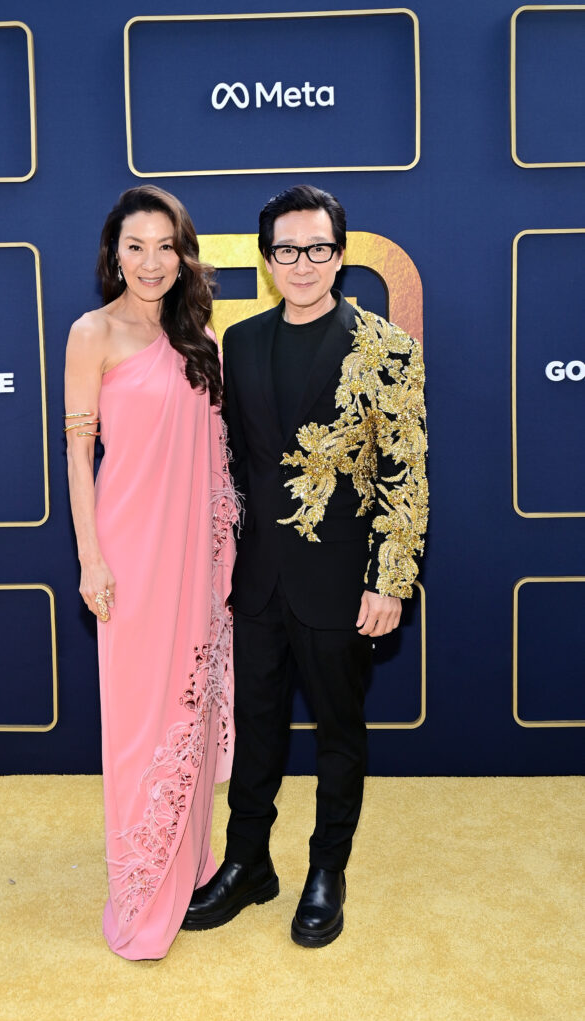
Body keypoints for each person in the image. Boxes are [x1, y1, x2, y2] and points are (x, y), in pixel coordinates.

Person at [182, 184, 427, 948]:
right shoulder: (240, 344)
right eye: (286, 250)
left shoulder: (385, 348)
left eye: (317, 248)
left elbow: (405, 471)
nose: (302, 263)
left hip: (341, 582)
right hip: (254, 581)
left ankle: (328, 869)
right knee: (255, 730)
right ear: (265, 259)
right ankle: (248, 863)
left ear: (340, 255)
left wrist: (390, 579)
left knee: (337, 734)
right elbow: (226, 462)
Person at [64, 185, 238, 961]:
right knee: (139, 724)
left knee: (190, 707)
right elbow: (77, 454)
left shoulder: (200, 335)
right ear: (114, 254)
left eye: (165, 246)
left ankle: (189, 860)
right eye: (135, 246)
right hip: (129, 552)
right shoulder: (90, 332)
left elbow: (219, 448)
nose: (151, 261)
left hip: (192, 554)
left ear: (182, 254)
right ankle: (140, 888)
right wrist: (89, 556)